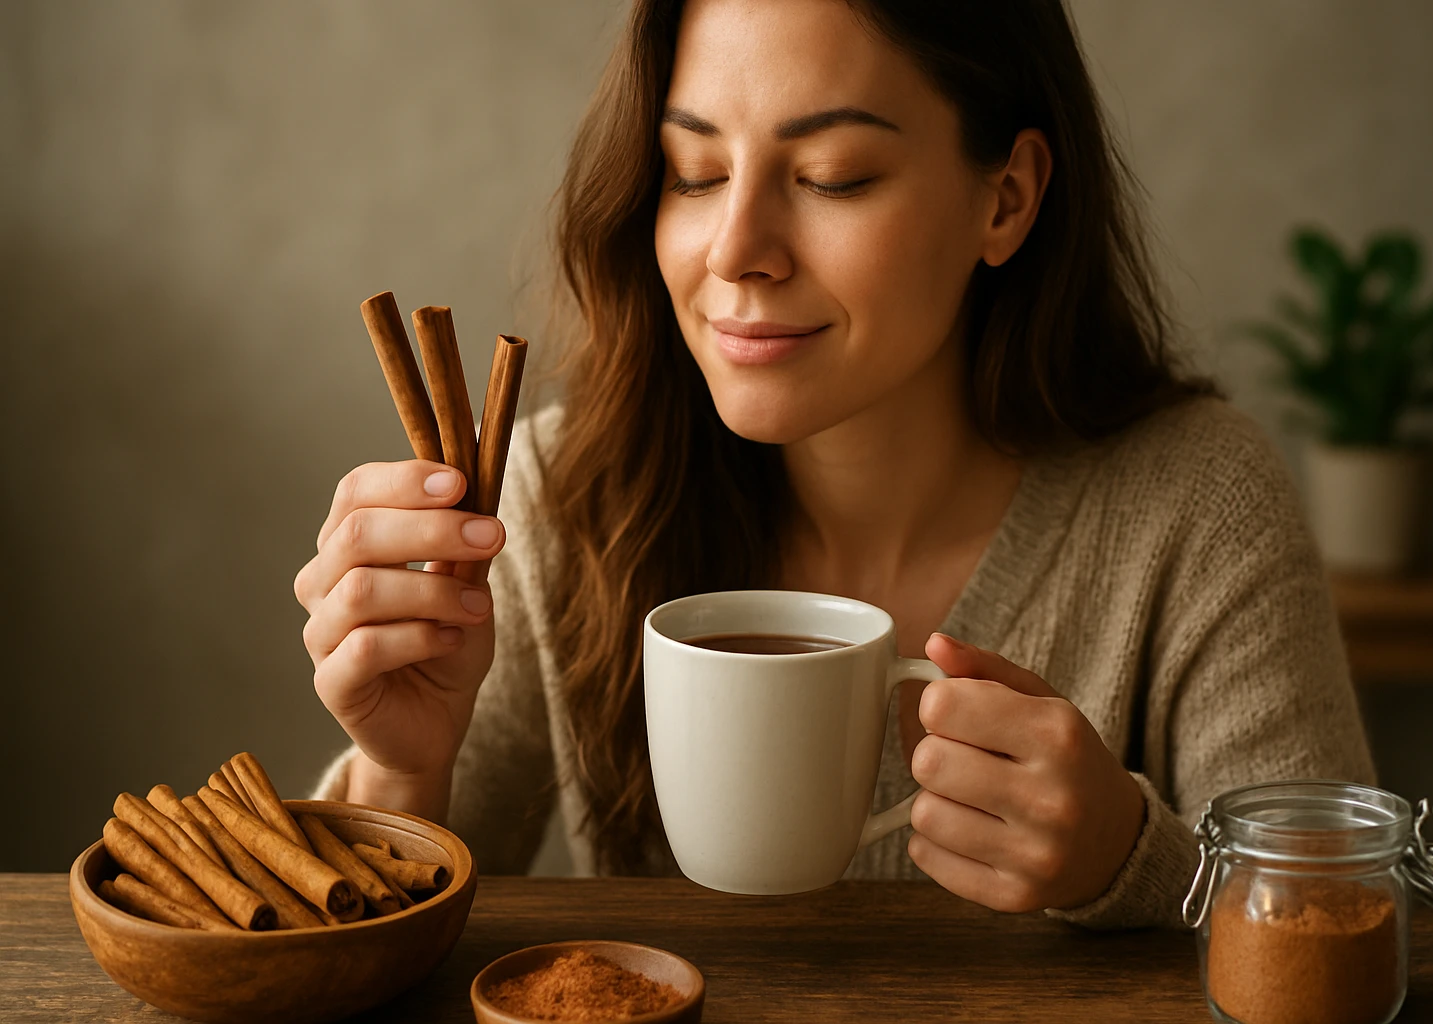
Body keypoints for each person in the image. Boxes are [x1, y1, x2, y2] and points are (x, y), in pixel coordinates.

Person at [293, 0, 1373, 929]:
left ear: (1006, 199)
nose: (735, 250)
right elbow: (365, 945)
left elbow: (1342, 933)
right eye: (695, 172)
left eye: (832, 177)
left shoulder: (1199, 505)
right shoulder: (560, 496)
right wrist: (403, 766)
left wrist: (1131, 859)